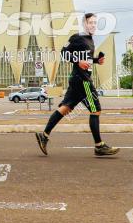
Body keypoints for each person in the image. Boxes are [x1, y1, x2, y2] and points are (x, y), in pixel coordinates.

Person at [35, 13, 119, 157]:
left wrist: (96, 61)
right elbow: (63, 53)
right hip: (82, 80)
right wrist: (77, 62)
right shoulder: (77, 37)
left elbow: (84, 59)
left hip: (78, 79)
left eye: (94, 22)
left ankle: (44, 135)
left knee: (65, 108)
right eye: (90, 22)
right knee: (95, 110)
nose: (93, 25)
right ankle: (99, 146)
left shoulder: (90, 40)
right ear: (84, 24)